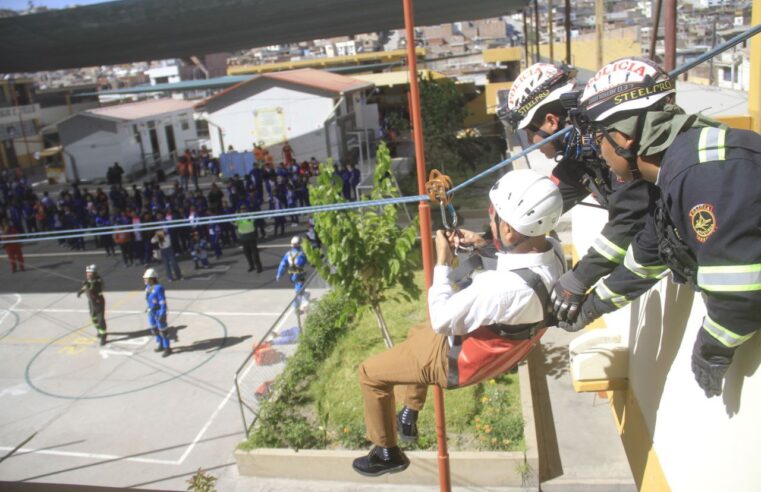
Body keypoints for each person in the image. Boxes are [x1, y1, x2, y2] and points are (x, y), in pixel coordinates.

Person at [561, 57, 761, 398]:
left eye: (599, 139)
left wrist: (712, 348)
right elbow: (649, 257)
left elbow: (739, 290)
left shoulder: (704, 171)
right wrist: (594, 307)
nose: (599, 151)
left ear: (623, 137)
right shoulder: (673, 174)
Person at [351, 169, 566, 477]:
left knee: (370, 373)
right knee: (416, 333)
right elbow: (516, 263)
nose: (489, 221)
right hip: (481, 348)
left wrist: (442, 262)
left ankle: (386, 452)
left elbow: (442, 318)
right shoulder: (553, 252)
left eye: (493, 218)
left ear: (508, 231)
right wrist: (480, 244)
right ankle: (409, 412)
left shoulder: (501, 289)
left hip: (453, 360)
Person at [500, 62, 655, 324]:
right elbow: (535, 207)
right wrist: (484, 238)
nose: (530, 144)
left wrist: (578, 278)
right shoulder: (580, 159)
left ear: (551, 121)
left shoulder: (614, 139)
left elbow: (629, 220)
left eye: (529, 134)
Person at [143, 268, 172, 357]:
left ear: (152, 278)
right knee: (154, 329)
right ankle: (160, 344)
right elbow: (148, 300)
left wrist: (162, 313)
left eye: (146, 278)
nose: (145, 280)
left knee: (163, 330)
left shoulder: (158, 288)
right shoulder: (148, 287)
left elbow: (162, 301)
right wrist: (148, 308)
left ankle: (167, 347)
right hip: (152, 311)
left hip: (159, 311)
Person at [77, 264, 107, 345]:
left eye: (90, 273)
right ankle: (99, 330)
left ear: (94, 273)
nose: (88, 274)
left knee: (100, 319)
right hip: (91, 302)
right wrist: (80, 291)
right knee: (93, 317)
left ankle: (103, 336)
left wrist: (88, 284)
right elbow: (85, 287)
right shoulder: (89, 280)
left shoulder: (98, 280)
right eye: (87, 272)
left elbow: (95, 289)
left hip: (98, 301)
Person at [276, 236, 308, 309]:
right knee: (299, 289)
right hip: (299, 273)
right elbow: (306, 263)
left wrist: (279, 274)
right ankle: (298, 304)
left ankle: (298, 304)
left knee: (298, 288)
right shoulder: (302, 254)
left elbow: (283, 265)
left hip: (292, 273)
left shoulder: (288, 254)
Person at [234, 204, 262, 273]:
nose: (243, 210)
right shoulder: (238, 217)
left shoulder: (250, 215)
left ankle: (259, 267)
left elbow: (252, 219)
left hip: (251, 236)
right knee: (247, 253)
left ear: (246, 209)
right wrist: (236, 216)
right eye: (241, 209)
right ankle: (251, 266)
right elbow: (235, 224)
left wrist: (242, 216)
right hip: (243, 237)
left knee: (255, 253)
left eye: (244, 209)